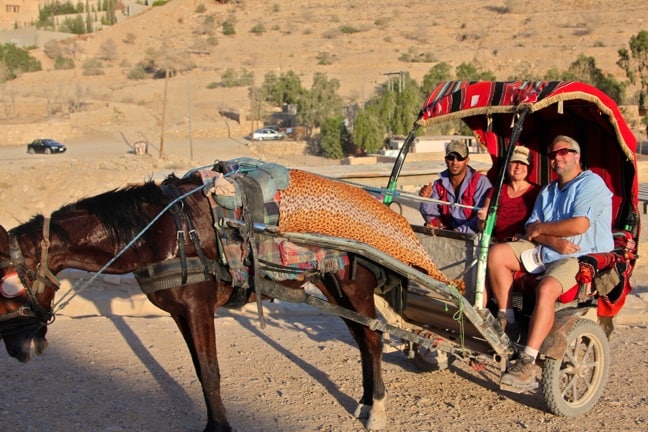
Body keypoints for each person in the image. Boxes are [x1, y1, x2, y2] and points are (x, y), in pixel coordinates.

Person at [488, 135, 613, 389]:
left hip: (579, 256)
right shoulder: (549, 191)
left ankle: (528, 360)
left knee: (546, 289)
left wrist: (542, 232)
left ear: (577, 156)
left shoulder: (590, 183)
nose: (557, 157)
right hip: (549, 250)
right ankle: (507, 320)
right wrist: (553, 240)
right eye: (553, 154)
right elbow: (530, 227)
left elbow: (579, 225)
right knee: (496, 254)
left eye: (563, 152)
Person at [419, 140, 492, 233]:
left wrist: (458, 232)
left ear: (467, 160)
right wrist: (426, 200)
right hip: (448, 236)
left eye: (459, 158)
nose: (454, 162)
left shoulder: (481, 182)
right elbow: (429, 215)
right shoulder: (438, 184)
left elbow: (482, 218)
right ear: (446, 160)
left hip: (474, 238)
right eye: (451, 158)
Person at [477, 146, 541, 242]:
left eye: (523, 163)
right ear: (507, 165)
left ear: (530, 167)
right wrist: (482, 220)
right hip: (497, 242)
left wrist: (525, 235)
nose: (518, 166)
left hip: (525, 242)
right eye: (514, 162)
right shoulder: (497, 191)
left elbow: (540, 224)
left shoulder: (538, 192)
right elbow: (483, 228)